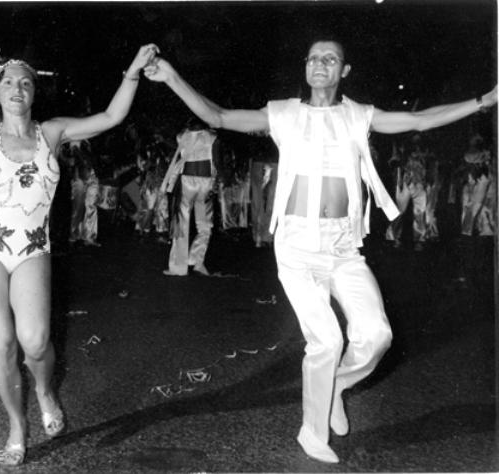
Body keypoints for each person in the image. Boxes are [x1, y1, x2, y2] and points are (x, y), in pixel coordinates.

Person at [144, 36, 497, 463]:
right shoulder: (285, 114)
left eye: (330, 59)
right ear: (305, 67)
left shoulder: (358, 116)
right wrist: (171, 78)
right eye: (313, 58)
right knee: (326, 340)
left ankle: (336, 386)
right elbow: (217, 115)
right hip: (296, 246)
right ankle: (312, 433)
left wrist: (485, 100)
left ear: (343, 71)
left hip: (345, 246)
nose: (320, 65)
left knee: (377, 335)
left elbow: (419, 121)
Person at [0, 5, 159, 465]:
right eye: (8, 82)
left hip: (33, 248)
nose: (17, 88)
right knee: (1, 342)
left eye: (25, 82)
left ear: (34, 92)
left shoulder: (53, 134)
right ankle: (17, 428)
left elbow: (111, 117)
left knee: (36, 341)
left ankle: (44, 390)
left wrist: (134, 71)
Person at [160, 118, 221, 276]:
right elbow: (217, 162)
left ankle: (179, 267)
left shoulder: (182, 136)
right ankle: (196, 260)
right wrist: (217, 182)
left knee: (182, 223)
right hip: (205, 182)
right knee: (205, 224)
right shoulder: (212, 136)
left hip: (188, 182)